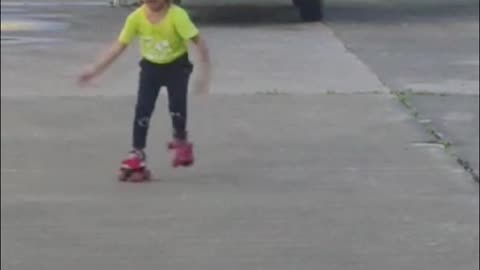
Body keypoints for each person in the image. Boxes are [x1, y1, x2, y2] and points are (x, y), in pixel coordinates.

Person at [78, 0, 210, 177]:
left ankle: (181, 140)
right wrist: (95, 69)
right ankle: (137, 151)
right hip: (151, 68)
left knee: (177, 106)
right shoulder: (136, 18)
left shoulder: (177, 16)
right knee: (143, 109)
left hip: (177, 67)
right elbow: (119, 46)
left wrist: (205, 74)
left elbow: (198, 42)